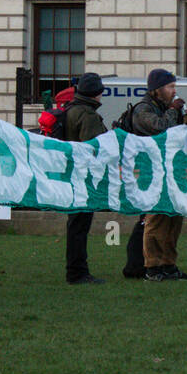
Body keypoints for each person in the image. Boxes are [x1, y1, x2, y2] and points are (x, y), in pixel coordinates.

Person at [131, 68, 187, 281]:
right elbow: (160, 128)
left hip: (170, 170)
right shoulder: (143, 109)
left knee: (174, 217)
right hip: (151, 172)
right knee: (155, 219)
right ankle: (153, 267)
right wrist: (174, 111)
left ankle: (168, 263)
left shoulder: (164, 108)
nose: (174, 91)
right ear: (157, 89)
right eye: (170, 86)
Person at [63, 72, 107, 284]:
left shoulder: (72, 109)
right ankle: (77, 272)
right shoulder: (87, 114)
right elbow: (95, 146)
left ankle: (76, 270)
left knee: (75, 225)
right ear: (97, 93)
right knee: (80, 226)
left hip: (72, 174)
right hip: (83, 177)